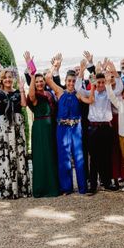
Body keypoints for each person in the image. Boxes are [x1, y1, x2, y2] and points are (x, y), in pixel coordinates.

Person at [45, 66, 94, 194]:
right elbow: (47, 79)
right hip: (62, 128)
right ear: (65, 81)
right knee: (64, 157)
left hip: (76, 128)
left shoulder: (78, 94)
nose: (71, 83)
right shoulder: (60, 91)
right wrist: (55, 66)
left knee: (79, 157)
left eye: (73, 81)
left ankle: (82, 187)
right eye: (69, 81)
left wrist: (93, 86)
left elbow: (90, 100)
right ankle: (66, 187)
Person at [77, 59, 124, 192]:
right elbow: (77, 88)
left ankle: (107, 182)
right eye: (99, 82)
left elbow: (120, 88)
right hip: (93, 128)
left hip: (106, 128)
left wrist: (114, 70)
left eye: (103, 82)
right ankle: (92, 185)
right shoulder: (90, 93)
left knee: (106, 156)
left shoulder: (109, 94)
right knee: (94, 157)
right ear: (95, 83)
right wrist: (81, 71)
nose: (101, 84)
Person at [0, 67, 30, 199]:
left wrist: (21, 89)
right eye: (5, 77)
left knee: (18, 154)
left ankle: (20, 187)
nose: (8, 79)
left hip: (17, 125)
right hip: (4, 125)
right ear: (2, 79)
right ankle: (6, 187)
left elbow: (24, 104)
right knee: (4, 154)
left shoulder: (18, 93)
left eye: (10, 77)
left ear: (13, 79)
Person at [27, 71, 61, 198]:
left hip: (50, 126)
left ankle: (53, 187)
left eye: (41, 81)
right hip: (40, 127)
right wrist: (31, 78)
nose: (39, 83)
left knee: (51, 155)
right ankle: (41, 188)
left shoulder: (49, 94)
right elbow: (30, 96)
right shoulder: (34, 95)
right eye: (37, 81)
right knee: (40, 156)